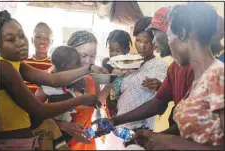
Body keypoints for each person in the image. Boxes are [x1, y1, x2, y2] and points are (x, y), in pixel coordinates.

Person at [0, 10, 107, 150]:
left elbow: (53, 80)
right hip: (10, 143)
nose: (20, 42)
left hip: (24, 140)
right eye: (11, 39)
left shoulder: (16, 63)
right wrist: (80, 100)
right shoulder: (2, 68)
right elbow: (39, 110)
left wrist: (90, 68)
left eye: (21, 35)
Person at [94, 6, 194, 137]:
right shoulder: (173, 68)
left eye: (154, 36)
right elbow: (159, 103)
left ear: (177, 34)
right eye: (139, 40)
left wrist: (157, 137)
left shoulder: (198, 70)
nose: (153, 42)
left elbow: (195, 123)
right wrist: (114, 120)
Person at [135, 3, 224, 150]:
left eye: (169, 36)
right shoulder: (201, 78)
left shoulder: (218, 77)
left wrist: (172, 142)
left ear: (182, 33)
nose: (168, 43)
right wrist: (158, 138)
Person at [102, 17, 169, 150]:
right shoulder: (127, 63)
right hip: (118, 125)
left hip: (140, 130)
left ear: (155, 42)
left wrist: (160, 87)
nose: (142, 46)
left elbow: (164, 99)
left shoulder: (161, 66)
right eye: (138, 41)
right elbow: (116, 90)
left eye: (147, 42)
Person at [24, 22, 53, 93]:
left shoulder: (55, 64)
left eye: (46, 38)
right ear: (32, 40)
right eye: (38, 37)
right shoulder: (23, 62)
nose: (42, 41)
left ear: (52, 41)